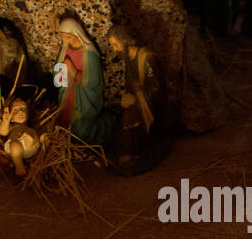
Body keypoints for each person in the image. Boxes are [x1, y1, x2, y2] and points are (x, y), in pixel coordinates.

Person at [105, 25, 169, 176]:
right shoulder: (128, 57)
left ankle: (132, 156)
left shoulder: (149, 58)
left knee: (130, 117)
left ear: (125, 40)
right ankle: (127, 154)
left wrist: (136, 99)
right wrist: (127, 97)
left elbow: (157, 90)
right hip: (138, 101)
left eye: (115, 44)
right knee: (122, 115)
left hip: (150, 105)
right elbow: (130, 83)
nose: (115, 49)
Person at [54, 16, 116, 146]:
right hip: (67, 96)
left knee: (79, 132)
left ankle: (106, 125)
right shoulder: (65, 47)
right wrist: (61, 72)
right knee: (60, 125)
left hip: (83, 100)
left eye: (68, 37)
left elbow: (94, 83)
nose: (65, 40)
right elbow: (58, 75)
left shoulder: (90, 53)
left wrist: (73, 70)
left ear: (76, 34)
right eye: (63, 37)